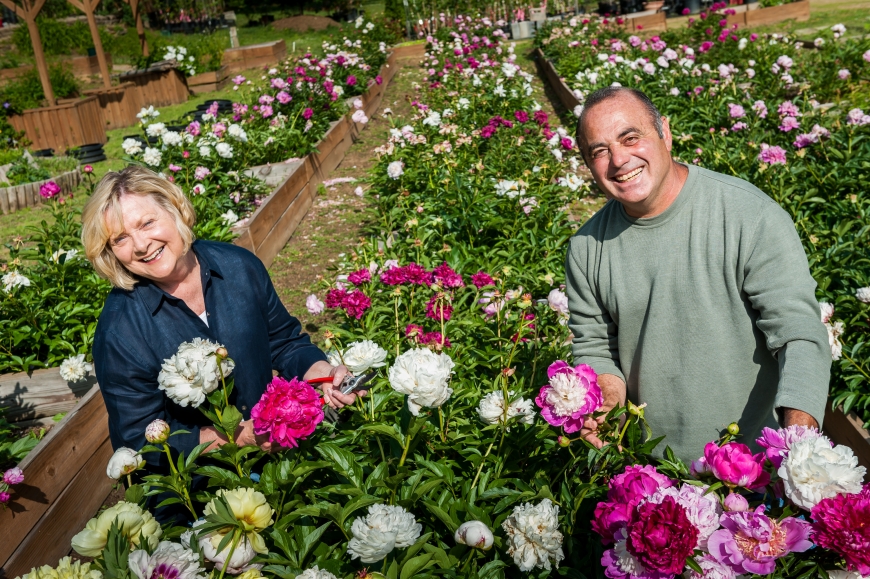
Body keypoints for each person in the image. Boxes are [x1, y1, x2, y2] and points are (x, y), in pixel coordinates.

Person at [566, 87, 830, 462]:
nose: (620, 160)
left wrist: (797, 448)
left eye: (630, 138)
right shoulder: (586, 248)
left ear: (665, 133)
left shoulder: (747, 215)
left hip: (755, 464)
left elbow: (799, 335)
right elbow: (594, 346)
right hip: (653, 472)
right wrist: (606, 395)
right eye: (600, 151)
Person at [81, 166, 362, 511]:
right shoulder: (120, 332)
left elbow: (285, 342)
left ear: (174, 208)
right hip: (196, 494)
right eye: (120, 239)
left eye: (147, 223)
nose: (140, 245)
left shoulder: (239, 267)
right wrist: (235, 439)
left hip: (274, 461)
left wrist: (323, 374)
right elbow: (140, 436)